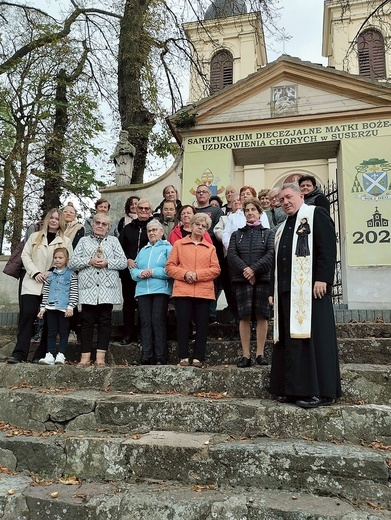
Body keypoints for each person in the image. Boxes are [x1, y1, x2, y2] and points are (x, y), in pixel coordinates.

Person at [269, 183, 341, 408]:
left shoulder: (315, 214)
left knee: (314, 339)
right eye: (282, 200)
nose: (285, 202)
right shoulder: (281, 227)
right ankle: (291, 389)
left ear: (301, 195)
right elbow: (277, 261)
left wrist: (323, 278)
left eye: (289, 197)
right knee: (290, 342)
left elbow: (328, 247)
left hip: (312, 290)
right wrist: (273, 289)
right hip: (286, 292)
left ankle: (320, 391)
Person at [8, 208, 73, 364]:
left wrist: (51, 272)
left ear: (61, 222)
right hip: (32, 282)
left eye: (57, 219)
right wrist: (35, 273)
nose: (54, 221)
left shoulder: (66, 240)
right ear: (47, 219)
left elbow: (68, 261)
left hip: (53, 285)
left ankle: (42, 353)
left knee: (49, 320)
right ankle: (19, 353)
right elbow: (25, 255)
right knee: (27, 316)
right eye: (51, 218)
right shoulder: (34, 237)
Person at [69, 213, 127, 366]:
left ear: (109, 228)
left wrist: (107, 262)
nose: (100, 226)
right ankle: (85, 357)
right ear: (93, 225)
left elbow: (123, 262)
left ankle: (100, 358)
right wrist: (89, 261)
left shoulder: (114, 241)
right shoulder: (83, 241)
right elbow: (72, 262)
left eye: (104, 224)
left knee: (105, 322)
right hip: (88, 288)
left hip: (107, 288)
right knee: (87, 322)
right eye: (98, 223)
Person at [166, 213, 220, 367]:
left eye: (204, 226)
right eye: (198, 224)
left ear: (207, 230)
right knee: (182, 324)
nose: (200, 228)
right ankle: (183, 356)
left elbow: (216, 269)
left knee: (202, 325)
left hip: (203, 291)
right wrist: (185, 274)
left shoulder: (210, 248)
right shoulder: (179, 245)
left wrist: (197, 275)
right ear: (191, 225)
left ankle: (198, 357)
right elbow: (170, 267)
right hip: (183, 290)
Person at [228, 198, 275, 367]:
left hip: (262, 279)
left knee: (262, 316)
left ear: (260, 213)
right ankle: (246, 355)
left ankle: (260, 354)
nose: (249, 213)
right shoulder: (236, 234)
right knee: (244, 316)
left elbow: (271, 254)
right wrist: (246, 271)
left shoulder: (269, 233)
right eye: (246, 210)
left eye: (253, 210)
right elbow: (232, 256)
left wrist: (254, 269)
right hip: (242, 280)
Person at [130, 220, 172, 365]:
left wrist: (153, 272)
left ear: (161, 232)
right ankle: (146, 356)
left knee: (157, 321)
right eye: (149, 231)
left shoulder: (168, 247)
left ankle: (161, 356)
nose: (152, 233)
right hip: (142, 291)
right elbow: (133, 270)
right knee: (145, 323)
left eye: (155, 230)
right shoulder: (143, 250)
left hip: (160, 290)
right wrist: (140, 273)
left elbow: (171, 269)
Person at [118, 198, 154, 344]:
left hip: (147, 273)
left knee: (144, 305)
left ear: (150, 211)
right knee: (128, 304)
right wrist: (127, 259)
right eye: (141, 208)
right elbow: (119, 249)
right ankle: (128, 334)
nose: (143, 211)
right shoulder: (127, 229)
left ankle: (142, 334)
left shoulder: (154, 228)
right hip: (129, 272)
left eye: (146, 208)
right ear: (136, 210)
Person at [37, 248, 78, 365]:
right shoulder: (50, 276)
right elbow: (46, 292)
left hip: (64, 309)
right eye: (55, 258)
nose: (57, 260)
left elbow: (74, 292)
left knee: (64, 332)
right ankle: (50, 354)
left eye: (60, 258)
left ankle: (61, 355)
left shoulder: (71, 275)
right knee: (51, 332)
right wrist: (42, 308)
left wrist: (71, 306)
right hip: (50, 308)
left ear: (66, 260)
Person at [222, 186, 270, 252]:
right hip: (236, 252)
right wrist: (231, 249)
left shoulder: (261, 213)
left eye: (248, 194)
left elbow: (266, 231)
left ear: (254, 197)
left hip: (258, 251)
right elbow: (226, 235)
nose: (245, 196)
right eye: (242, 194)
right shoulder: (232, 216)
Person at [63, 201, 85, 343]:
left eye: (71, 212)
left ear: (75, 215)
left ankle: (72, 330)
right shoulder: (57, 228)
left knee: (72, 299)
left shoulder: (79, 228)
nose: (68, 214)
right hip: (55, 266)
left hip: (71, 266)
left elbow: (76, 248)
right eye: (66, 211)